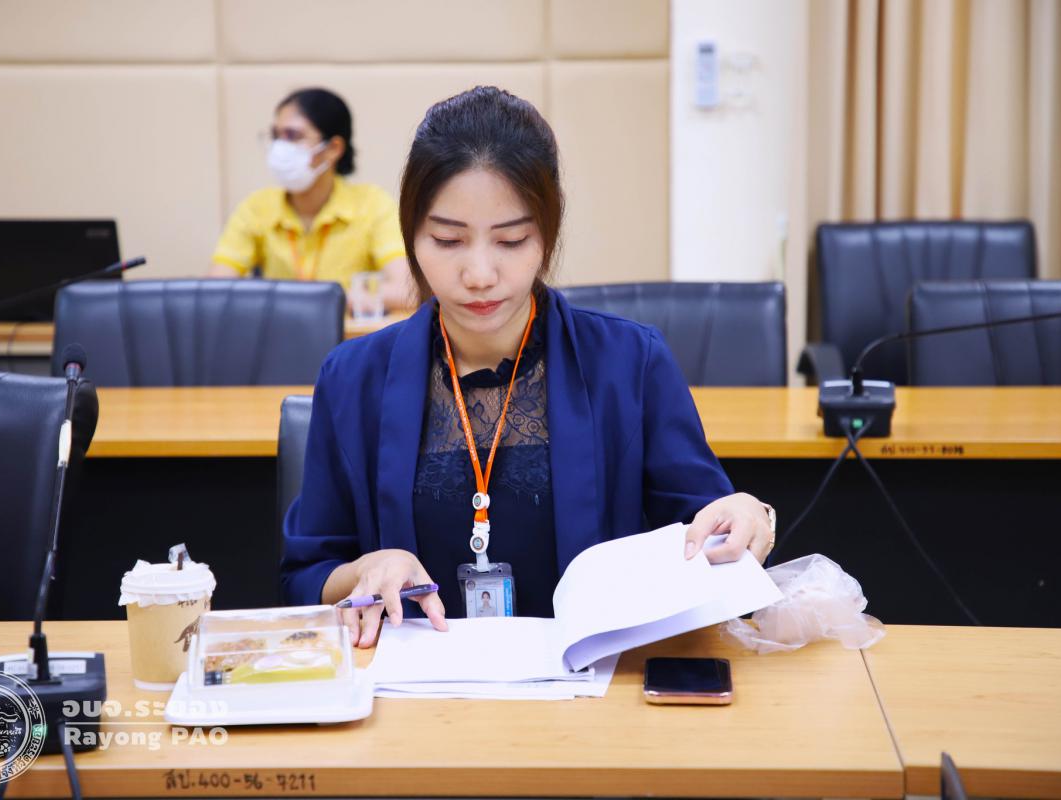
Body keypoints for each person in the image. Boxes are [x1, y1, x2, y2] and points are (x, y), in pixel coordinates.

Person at [280, 86, 775, 648]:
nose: (480, 274)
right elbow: (304, 576)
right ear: (411, 234)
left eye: (511, 240)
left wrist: (746, 513)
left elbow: (708, 532)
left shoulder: (629, 363)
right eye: (448, 240)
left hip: (591, 689)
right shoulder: (353, 378)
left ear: (547, 233)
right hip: (414, 693)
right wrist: (364, 570)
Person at [208, 87, 413, 310]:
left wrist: (328, 300)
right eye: (276, 136)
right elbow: (214, 292)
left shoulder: (372, 205)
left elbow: (408, 291)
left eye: (292, 136)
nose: (279, 148)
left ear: (333, 148)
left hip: (347, 331)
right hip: (281, 331)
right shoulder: (256, 208)